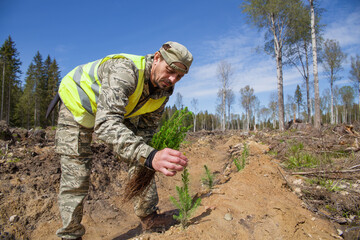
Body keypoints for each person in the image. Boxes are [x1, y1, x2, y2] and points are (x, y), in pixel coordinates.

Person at [54, 41, 193, 240]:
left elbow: (146, 134)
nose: (172, 79)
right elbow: (105, 124)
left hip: (115, 114)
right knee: (76, 173)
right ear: (156, 58)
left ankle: (149, 216)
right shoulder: (125, 71)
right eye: (170, 70)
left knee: (144, 157)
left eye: (179, 76)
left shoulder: (162, 93)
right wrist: (150, 155)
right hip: (77, 105)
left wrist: (150, 156)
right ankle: (70, 234)